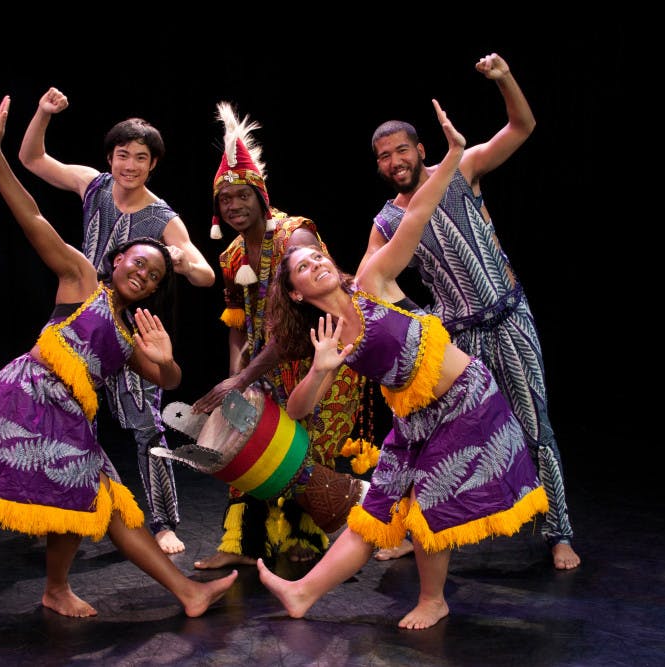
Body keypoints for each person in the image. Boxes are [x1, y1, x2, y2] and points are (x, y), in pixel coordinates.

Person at [257, 99, 548, 630]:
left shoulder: (372, 282)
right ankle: (302, 594)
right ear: (296, 292)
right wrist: (321, 369)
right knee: (374, 514)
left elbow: (415, 217)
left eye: (318, 255)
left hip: (464, 400)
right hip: (415, 421)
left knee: (427, 503)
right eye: (302, 266)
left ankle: (434, 599)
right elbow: (297, 410)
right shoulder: (330, 338)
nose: (316, 262)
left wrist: (454, 154)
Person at [0, 95, 237, 619]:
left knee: (104, 500)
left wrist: (166, 358)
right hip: (30, 396)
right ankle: (102, 590)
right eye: (138, 264)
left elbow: (168, 380)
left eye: (154, 275)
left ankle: (101, 590)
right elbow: (32, 214)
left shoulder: (131, 332)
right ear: (117, 258)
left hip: (65, 414)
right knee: (95, 497)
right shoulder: (81, 279)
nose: (143, 274)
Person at [361, 53, 581, 570]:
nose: (394, 161)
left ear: (420, 149)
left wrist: (505, 79)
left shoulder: (461, 170)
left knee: (535, 426)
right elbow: (368, 288)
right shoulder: (386, 221)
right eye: (384, 156)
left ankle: (559, 533)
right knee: (432, 439)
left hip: (508, 319)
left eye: (401, 150)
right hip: (456, 340)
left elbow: (522, 127)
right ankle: (415, 533)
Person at [19, 87, 216, 554]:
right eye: (123, 155)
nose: (130, 165)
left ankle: (163, 523)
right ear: (110, 158)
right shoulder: (93, 185)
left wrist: (182, 261)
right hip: (82, 323)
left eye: (140, 158)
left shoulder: (163, 216)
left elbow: (205, 274)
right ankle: (53, 511)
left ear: (153, 164)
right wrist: (43, 113)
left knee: (147, 426)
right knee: (59, 415)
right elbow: (32, 159)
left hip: (129, 331)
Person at [189, 102, 364, 568]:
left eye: (242, 196)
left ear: (261, 196)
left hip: (321, 357)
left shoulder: (295, 236)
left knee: (306, 452)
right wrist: (236, 377)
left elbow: (300, 326)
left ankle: (306, 542)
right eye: (225, 200)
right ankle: (244, 546)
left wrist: (243, 378)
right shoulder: (230, 256)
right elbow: (237, 322)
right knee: (247, 446)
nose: (233, 206)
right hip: (266, 366)